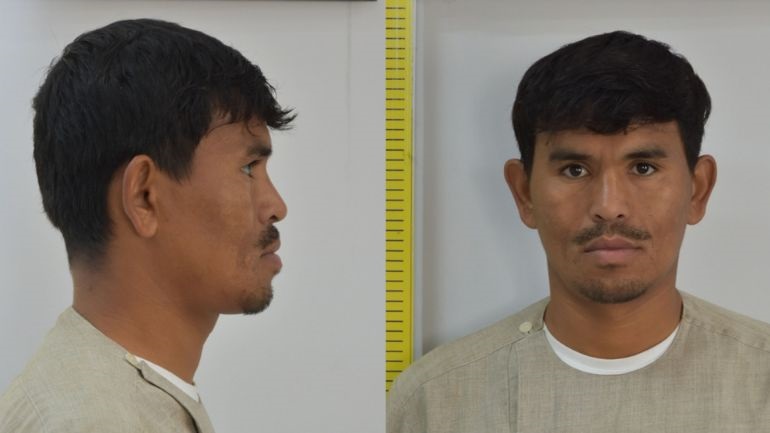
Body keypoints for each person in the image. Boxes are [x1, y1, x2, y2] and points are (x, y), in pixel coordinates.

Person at [387, 31, 770, 432]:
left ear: (698, 190)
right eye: (574, 170)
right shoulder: (435, 401)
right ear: (524, 193)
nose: (609, 206)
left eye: (643, 168)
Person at [0, 18, 292, 432]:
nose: (276, 207)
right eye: (249, 168)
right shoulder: (97, 423)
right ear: (144, 197)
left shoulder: (102, 398)